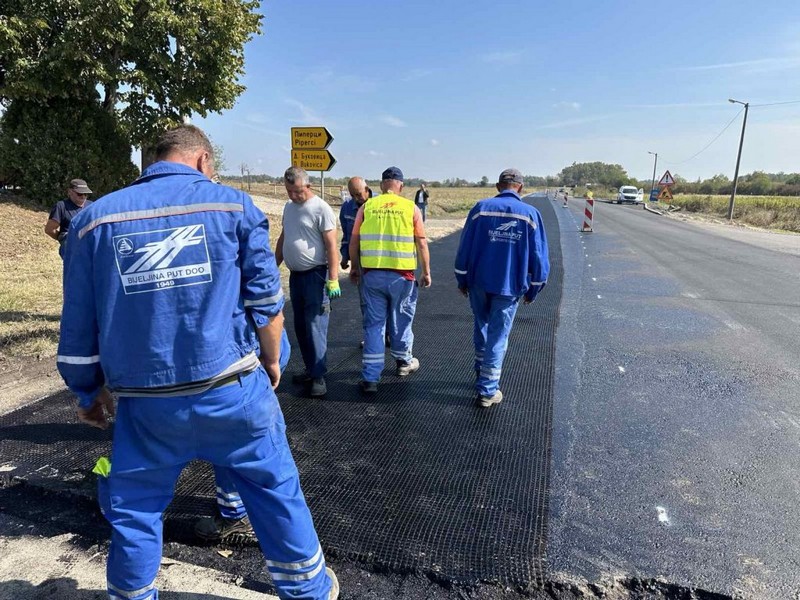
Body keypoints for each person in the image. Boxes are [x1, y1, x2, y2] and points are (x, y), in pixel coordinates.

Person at [57, 125, 338, 600]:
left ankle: (132, 595)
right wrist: (272, 362)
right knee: (272, 487)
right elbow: (267, 305)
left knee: (136, 508)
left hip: (147, 406)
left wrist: (88, 393)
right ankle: (307, 589)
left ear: (150, 163)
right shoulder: (234, 206)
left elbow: (79, 330)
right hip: (232, 388)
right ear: (205, 161)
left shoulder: (93, 222)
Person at [454, 168, 550, 408]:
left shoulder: (480, 209)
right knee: (498, 335)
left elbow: (464, 246)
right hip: (509, 285)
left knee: (482, 327)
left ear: (498, 186)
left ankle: (481, 371)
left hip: (478, 282)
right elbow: (539, 257)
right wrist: (534, 289)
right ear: (520, 187)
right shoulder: (531, 214)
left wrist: (462, 279)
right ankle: (488, 390)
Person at [348, 166, 431, 394]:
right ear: (401, 186)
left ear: (382, 184)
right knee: (401, 320)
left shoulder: (367, 207)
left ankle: (371, 377)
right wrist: (426, 271)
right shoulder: (410, 208)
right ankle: (403, 362)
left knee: (374, 325)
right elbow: (422, 242)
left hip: (372, 276)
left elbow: (354, 242)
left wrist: (355, 267)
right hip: (402, 277)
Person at [275, 166, 340, 398]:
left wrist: (333, 279)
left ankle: (319, 376)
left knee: (315, 326)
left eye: (297, 191)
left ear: (308, 186)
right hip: (296, 277)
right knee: (301, 326)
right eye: (289, 191)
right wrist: (274, 265)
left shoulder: (320, 208)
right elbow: (285, 237)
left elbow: (331, 245)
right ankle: (309, 368)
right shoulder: (289, 207)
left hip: (316, 275)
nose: (293, 196)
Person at [45, 178, 93, 258]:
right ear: (70, 192)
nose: (83, 196)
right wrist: (63, 238)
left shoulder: (91, 205)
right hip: (71, 245)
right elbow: (49, 230)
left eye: (85, 194)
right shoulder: (61, 206)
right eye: (80, 194)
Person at [339, 176, 372, 270]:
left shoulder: (379, 204)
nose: (356, 199)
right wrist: (345, 256)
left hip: (377, 260)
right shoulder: (347, 207)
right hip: (358, 260)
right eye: (353, 196)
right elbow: (346, 235)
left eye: (358, 194)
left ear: (366, 189)